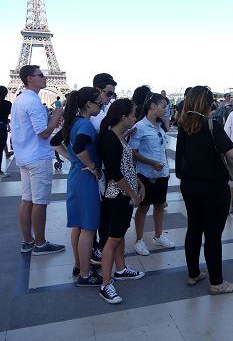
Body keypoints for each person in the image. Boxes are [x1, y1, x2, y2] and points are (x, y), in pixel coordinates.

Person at [176, 85, 233, 295]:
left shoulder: (183, 126)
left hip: (189, 185)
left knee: (194, 229)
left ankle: (193, 273)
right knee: (213, 235)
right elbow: (231, 153)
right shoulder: (212, 125)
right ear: (206, 104)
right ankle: (216, 282)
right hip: (213, 187)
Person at [52, 87, 104, 285]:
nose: (102, 106)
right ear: (88, 104)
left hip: (75, 178)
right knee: (89, 228)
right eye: (99, 103)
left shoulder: (72, 122)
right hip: (85, 181)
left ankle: (78, 265)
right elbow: (81, 145)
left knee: (77, 226)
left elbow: (55, 142)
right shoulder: (86, 125)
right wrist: (90, 165)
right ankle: (85, 273)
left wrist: (72, 160)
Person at [11, 65, 65, 255]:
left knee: (27, 200)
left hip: (24, 156)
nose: (45, 78)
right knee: (40, 202)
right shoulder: (33, 101)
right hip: (37, 157)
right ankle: (40, 244)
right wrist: (57, 115)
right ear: (29, 78)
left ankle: (27, 241)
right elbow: (43, 133)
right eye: (41, 75)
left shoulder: (19, 100)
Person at [98, 99, 145, 304]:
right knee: (113, 238)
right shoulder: (110, 139)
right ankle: (105, 283)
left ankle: (120, 269)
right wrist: (133, 194)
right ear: (123, 117)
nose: (135, 118)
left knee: (118, 235)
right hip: (118, 195)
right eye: (133, 115)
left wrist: (138, 183)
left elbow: (125, 166)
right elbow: (115, 173)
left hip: (123, 194)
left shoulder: (118, 136)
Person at [130, 93, 174, 255]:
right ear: (152, 106)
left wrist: (165, 169)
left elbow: (162, 149)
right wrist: (151, 163)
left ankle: (158, 235)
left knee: (160, 205)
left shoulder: (160, 125)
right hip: (145, 174)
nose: (165, 110)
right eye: (163, 106)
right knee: (143, 207)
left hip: (161, 173)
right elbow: (133, 152)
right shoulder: (139, 127)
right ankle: (139, 240)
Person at [89, 73, 118, 265]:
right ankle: (97, 249)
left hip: (102, 168)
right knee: (100, 211)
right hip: (99, 169)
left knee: (104, 210)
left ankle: (100, 247)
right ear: (99, 90)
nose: (110, 99)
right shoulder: (93, 114)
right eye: (109, 94)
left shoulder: (101, 111)